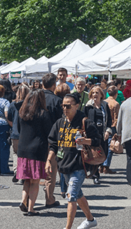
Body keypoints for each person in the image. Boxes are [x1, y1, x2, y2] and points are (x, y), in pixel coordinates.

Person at [48, 93, 100, 229]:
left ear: (77, 106)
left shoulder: (84, 122)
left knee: (70, 196)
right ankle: (90, 219)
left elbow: (97, 140)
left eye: (68, 106)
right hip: (64, 165)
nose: (65, 108)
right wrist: (49, 160)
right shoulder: (60, 123)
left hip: (79, 166)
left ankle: (68, 227)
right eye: (63, 106)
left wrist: (86, 140)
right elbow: (53, 143)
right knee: (77, 194)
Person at [16, 89, 53, 216]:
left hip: (23, 149)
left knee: (27, 179)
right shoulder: (43, 113)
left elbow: (19, 129)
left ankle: (23, 201)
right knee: (35, 181)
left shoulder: (22, 112)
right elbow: (49, 132)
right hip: (37, 149)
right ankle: (31, 208)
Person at [39, 73, 64, 207]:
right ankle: (49, 198)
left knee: (33, 170)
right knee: (51, 170)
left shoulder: (34, 98)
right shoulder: (57, 100)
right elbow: (61, 121)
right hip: (52, 140)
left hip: (35, 138)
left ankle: (27, 199)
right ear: (54, 85)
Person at [83, 86, 112, 183]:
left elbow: (109, 120)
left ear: (101, 95)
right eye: (93, 93)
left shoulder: (105, 105)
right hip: (91, 134)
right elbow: (84, 119)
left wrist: (108, 131)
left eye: (97, 92)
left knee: (103, 153)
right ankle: (95, 174)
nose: (95, 94)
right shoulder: (88, 106)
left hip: (102, 133)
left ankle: (95, 170)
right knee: (93, 153)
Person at [10, 84, 31, 184]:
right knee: (25, 155)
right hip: (26, 133)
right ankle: (23, 173)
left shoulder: (13, 104)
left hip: (15, 133)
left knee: (15, 153)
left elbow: (9, 117)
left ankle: (16, 170)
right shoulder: (30, 105)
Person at [101, 85, 121, 174]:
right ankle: (106, 166)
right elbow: (117, 118)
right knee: (110, 147)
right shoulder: (116, 104)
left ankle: (101, 165)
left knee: (102, 146)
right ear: (116, 94)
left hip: (103, 126)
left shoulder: (103, 102)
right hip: (112, 126)